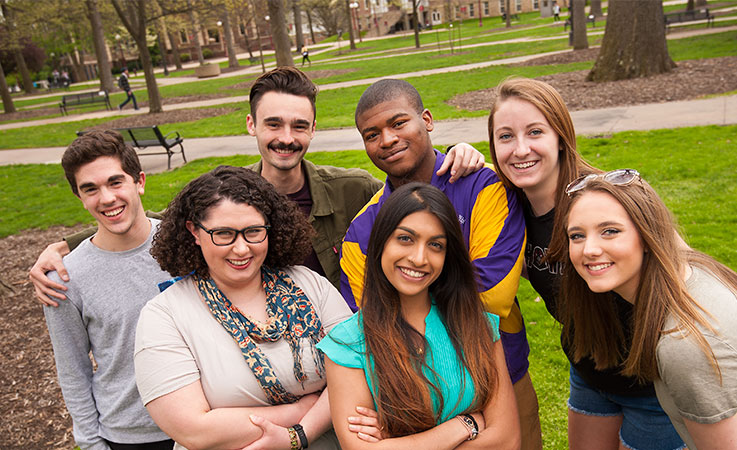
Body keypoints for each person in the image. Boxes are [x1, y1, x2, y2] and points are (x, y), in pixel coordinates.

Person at [29, 67, 483, 302]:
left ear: (312, 129)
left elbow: (417, 203)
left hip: (348, 346)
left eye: (299, 125)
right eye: (273, 123)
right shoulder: (225, 194)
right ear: (251, 124)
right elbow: (152, 224)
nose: (286, 137)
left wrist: (459, 155)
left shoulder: (353, 190)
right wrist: (68, 246)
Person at [341, 79, 541, 450]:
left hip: (501, 382)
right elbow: (371, 326)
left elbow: (494, 298)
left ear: (427, 120)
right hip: (413, 400)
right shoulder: (360, 232)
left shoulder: (486, 186)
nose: (386, 139)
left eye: (398, 123)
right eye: (372, 134)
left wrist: (408, 304)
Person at [488, 77, 684, 450]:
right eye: (505, 137)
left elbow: (688, 274)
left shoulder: (609, 197)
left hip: (652, 386)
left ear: (560, 136)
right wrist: (460, 151)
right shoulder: (507, 211)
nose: (520, 149)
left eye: (535, 132)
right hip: (590, 374)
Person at [135, 165, 352, 449]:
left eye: (253, 231)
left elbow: (355, 370)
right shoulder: (165, 315)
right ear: (194, 232)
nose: (241, 249)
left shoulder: (309, 284)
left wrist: (300, 435)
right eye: (224, 234)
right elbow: (193, 429)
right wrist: (296, 412)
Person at [318, 183, 521, 449]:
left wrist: (399, 442)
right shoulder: (347, 344)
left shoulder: (478, 324)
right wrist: (466, 425)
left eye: (436, 245)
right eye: (405, 239)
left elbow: (507, 440)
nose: (419, 258)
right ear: (381, 242)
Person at [547, 170, 737, 449]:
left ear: (648, 235)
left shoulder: (684, 346)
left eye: (610, 231)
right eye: (577, 235)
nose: (589, 249)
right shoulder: (690, 270)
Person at [43, 130, 173, 450]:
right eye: (91, 189)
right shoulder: (63, 279)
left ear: (139, 181)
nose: (106, 198)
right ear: (80, 197)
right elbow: (73, 373)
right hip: (130, 435)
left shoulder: (186, 247)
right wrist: (90, 444)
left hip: (210, 419)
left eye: (116, 182)